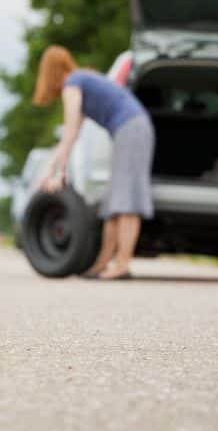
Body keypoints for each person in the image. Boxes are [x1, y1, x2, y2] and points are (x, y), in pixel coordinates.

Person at [32, 45, 155, 280]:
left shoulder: (73, 84)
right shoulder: (82, 80)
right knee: (111, 203)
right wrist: (52, 170)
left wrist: (54, 173)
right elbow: (74, 134)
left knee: (126, 202)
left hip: (131, 130)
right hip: (128, 130)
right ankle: (102, 264)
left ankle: (122, 264)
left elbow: (68, 135)